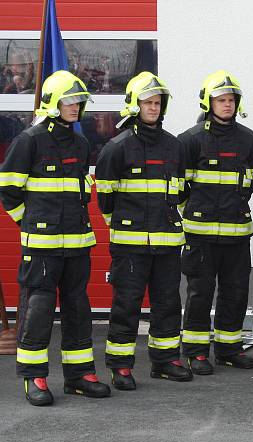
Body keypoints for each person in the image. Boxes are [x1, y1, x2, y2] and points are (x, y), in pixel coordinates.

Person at [0, 70, 110, 405]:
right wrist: (29, 225)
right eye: (69, 101)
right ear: (52, 103)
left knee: (78, 309)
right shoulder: (29, 140)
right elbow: (7, 189)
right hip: (42, 248)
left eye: (79, 101)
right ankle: (34, 377)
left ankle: (79, 375)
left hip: (77, 245)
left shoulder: (80, 142)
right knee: (39, 309)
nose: (75, 106)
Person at [96, 71, 191, 390]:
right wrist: (126, 230)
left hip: (167, 244)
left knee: (167, 303)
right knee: (127, 305)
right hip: (129, 246)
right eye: (148, 102)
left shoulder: (174, 146)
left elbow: (179, 193)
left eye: (157, 102)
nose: (153, 107)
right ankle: (120, 366)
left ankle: (165, 361)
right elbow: (105, 201)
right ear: (133, 105)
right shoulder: (116, 147)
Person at [177, 70, 253, 375]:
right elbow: (180, 188)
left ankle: (229, 349)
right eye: (221, 100)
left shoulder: (248, 139)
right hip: (199, 235)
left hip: (237, 233)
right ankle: (196, 352)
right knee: (199, 293)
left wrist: (230, 210)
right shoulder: (190, 140)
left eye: (231, 100)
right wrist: (197, 212)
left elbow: (249, 182)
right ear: (208, 102)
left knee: (235, 292)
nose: (227, 105)